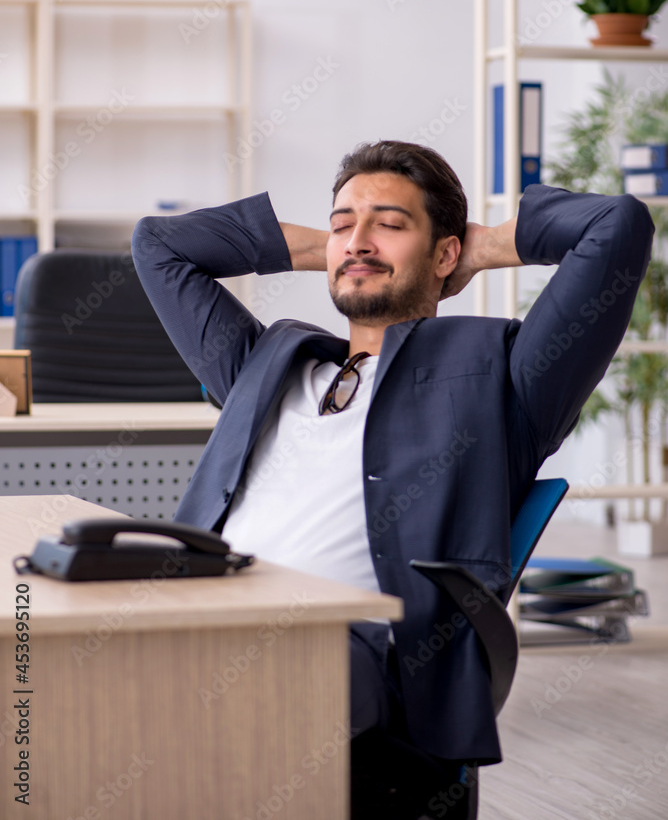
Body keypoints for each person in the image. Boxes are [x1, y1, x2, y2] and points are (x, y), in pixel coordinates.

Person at [132, 139, 653, 779]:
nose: (358, 241)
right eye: (343, 223)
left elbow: (618, 227)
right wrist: (334, 249)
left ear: (444, 252)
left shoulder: (503, 376)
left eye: (390, 224)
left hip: (350, 649)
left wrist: (479, 247)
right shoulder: (266, 363)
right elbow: (158, 244)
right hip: (201, 619)